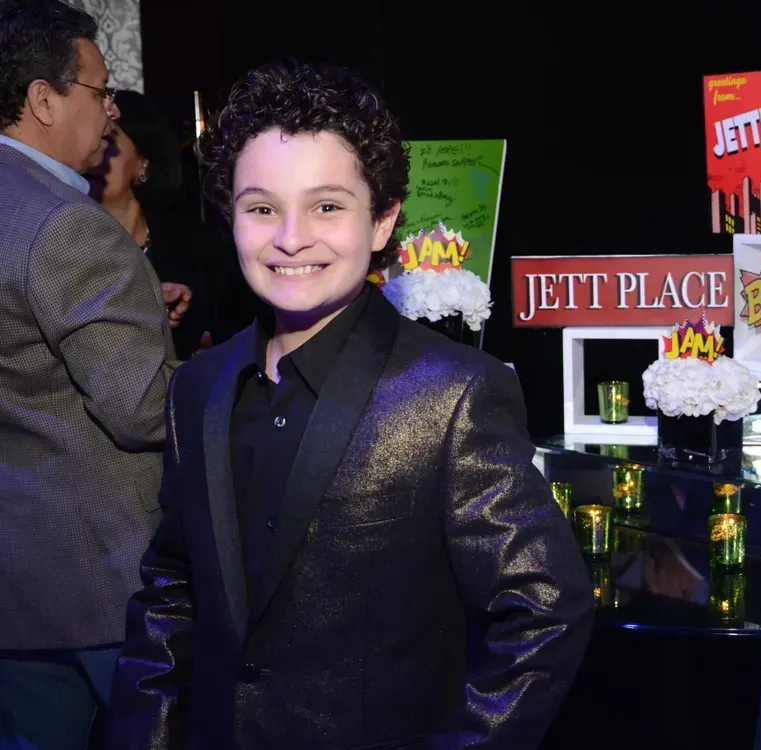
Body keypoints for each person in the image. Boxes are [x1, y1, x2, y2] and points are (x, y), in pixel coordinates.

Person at [108, 59, 593, 749]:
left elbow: (544, 612)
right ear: (230, 218)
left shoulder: (451, 394)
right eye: (261, 208)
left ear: (382, 221)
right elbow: (172, 590)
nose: (291, 236)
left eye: (327, 206)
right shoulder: (198, 385)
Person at [0, 1, 176, 748]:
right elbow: (140, 407)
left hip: (19, 581)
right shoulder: (64, 222)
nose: (111, 112)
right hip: (101, 578)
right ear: (43, 98)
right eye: (100, 92)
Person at [86, 90, 235, 359]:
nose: (96, 152)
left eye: (108, 139)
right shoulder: (69, 241)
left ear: (144, 162)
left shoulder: (195, 245)